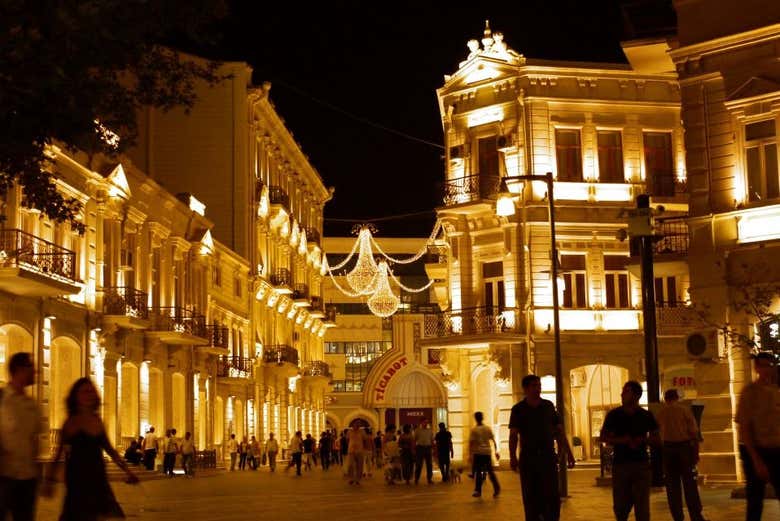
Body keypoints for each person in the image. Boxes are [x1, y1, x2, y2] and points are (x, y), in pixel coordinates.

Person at [50, 378, 138, 521]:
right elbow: (58, 453)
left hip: (98, 479)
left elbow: (110, 450)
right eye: (85, 392)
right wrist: (50, 479)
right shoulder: (70, 422)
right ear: (76, 396)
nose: (89, 395)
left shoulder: (97, 421)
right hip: (77, 481)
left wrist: (128, 471)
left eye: (91, 391)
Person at [509, 374, 575, 521]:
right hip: (528, 459)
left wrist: (568, 453)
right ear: (525, 389)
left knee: (552, 495)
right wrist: (513, 457)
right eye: (534, 386)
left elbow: (559, 432)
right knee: (530, 495)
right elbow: (513, 435)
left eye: (539, 386)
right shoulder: (518, 409)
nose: (537, 389)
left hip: (547, 458)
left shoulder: (548, 406)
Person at [600, 380, 660, 521]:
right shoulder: (614, 415)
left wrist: (643, 440)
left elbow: (657, 439)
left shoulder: (646, 416)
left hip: (641, 465)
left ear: (636, 395)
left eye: (626, 391)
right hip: (621, 465)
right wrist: (622, 440)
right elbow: (603, 437)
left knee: (642, 506)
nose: (622, 394)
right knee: (621, 506)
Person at [736, 352, 780, 521]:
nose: (767, 369)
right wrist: (756, 460)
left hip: (777, 450)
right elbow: (745, 428)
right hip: (757, 451)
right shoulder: (750, 392)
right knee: (755, 500)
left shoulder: (777, 390)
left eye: (770, 365)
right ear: (757, 368)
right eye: (762, 366)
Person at [0, 352, 41, 521]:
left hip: (27, 479)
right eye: (32, 368)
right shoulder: (1, 399)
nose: (35, 372)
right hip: (3, 477)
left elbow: (34, 439)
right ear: (19, 370)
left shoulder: (32, 405)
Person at [656, 388, 706, 521]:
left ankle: (678, 517)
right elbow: (694, 432)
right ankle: (696, 516)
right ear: (677, 397)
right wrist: (695, 452)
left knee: (672, 487)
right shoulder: (684, 410)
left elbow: (658, 434)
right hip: (684, 448)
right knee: (690, 484)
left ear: (665, 399)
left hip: (668, 449)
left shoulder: (661, 413)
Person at [469, 411, 500, 498]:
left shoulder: (474, 430)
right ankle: (496, 488)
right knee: (490, 471)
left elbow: (471, 443)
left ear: (475, 419)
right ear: (482, 418)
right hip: (487, 453)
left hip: (478, 453)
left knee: (478, 472)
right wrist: (496, 451)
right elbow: (493, 440)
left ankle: (478, 490)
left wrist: (470, 455)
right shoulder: (487, 428)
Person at [413, 419, 434, 484]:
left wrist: (433, 449)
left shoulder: (430, 431)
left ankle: (429, 479)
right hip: (420, 448)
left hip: (428, 448)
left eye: (427, 422)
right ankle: (416, 478)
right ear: (421, 423)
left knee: (429, 464)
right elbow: (414, 440)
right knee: (419, 464)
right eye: (424, 422)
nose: (425, 423)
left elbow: (432, 440)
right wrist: (414, 449)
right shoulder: (417, 430)